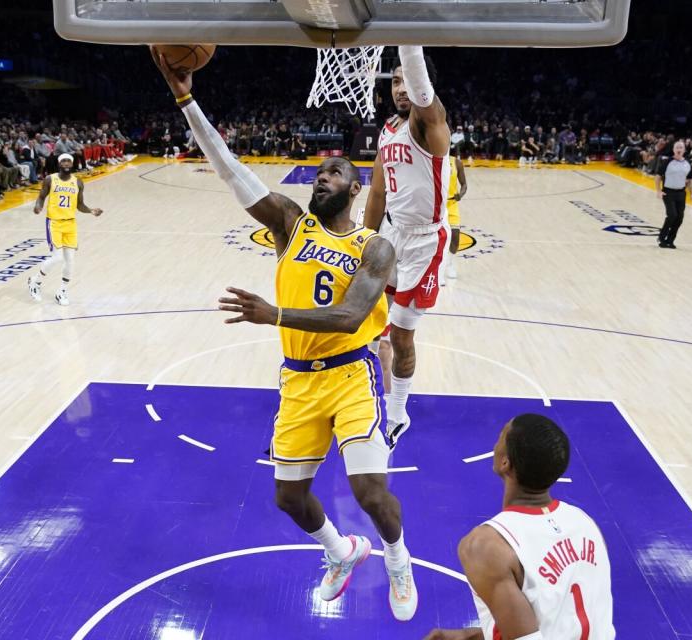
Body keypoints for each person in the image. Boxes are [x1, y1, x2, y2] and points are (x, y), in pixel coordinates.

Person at [151, 45, 419, 622]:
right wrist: (185, 97)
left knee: (371, 490)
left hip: (350, 376)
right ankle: (341, 552)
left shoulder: (373, 247)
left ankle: (398, 558)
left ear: (354, 189)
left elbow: (349, 319)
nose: (323, 179)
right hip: (298, 381)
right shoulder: (290, 226)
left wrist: (274, 315)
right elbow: (228, 167)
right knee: (288, 498)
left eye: (336, 174)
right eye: (319, 173)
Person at [423, 414, 615, 640]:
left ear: (505, 462)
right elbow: (559, 621)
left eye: (501, 435)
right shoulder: (585, 523)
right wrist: (473, 635)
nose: (496, 442)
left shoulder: (485, 546)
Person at [363, 46, 451, 449]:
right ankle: (368, 389)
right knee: (373, 324)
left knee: (401, 335)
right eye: (394, 81)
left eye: (406, 81)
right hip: (392, 234)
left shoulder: (428, 122)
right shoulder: (387, 131)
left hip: (425, 243)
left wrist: (405, 31)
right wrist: (361, 241)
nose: (400, 88)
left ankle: (398, 411)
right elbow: (378, 192)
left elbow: (422, 91)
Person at [28, 153, 104, 306]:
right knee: (57, 258)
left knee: (70, 261)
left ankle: (61, 291)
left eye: (69, 160)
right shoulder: (50, 179)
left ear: (72, 163)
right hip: (54, 223)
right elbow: (42, 196)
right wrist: (38, 206)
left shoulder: (78, 182)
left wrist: (91, 210)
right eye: (64, 160)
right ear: (59, 163)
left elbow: (79, 205)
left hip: (70, 224)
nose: (67, 163)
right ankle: (35, 281)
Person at [654, 140, 692, 249]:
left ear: (684, 150)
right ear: (673, 150)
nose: (679, 149)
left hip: (681, 193)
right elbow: (658, 176)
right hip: (668, 192)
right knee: (672, 215)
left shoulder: (688, 163)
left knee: (679, 218)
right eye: (677, 147)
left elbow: (690, 180)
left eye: (681, 147)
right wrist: (658, 191)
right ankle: (661, 238)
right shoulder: (667, 162)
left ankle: (670, 240)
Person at [441, 154, 467, 285]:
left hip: (451, 205)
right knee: (435, 240)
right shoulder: (431, 158)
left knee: (455, 238)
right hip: (436, 205)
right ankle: (436, 271)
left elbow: (464, 185)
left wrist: (460, 195)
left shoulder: (456, 162)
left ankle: (449, 264)